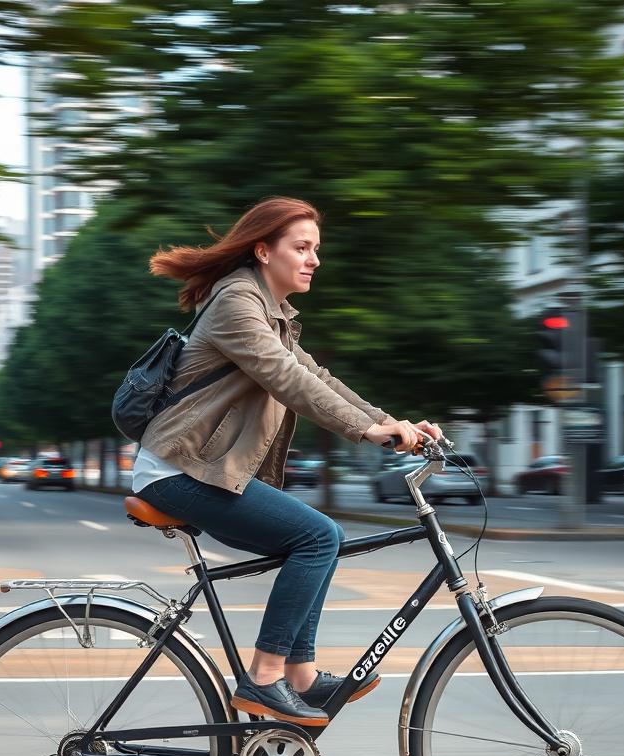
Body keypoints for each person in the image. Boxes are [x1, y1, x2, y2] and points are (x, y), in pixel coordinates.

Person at [133, 196, 443, 727]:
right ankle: (266, 677)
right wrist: (367, 431)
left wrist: (395, 422)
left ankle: (299, 675)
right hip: (178, 471)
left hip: (200, 470)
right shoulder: (237, 305)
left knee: (322, 538)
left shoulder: (271, 312)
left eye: (315, 248)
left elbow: (318, 377)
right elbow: (286, 378)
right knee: (318, 537)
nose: (314, 259)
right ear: (263, 250)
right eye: (301, 247)